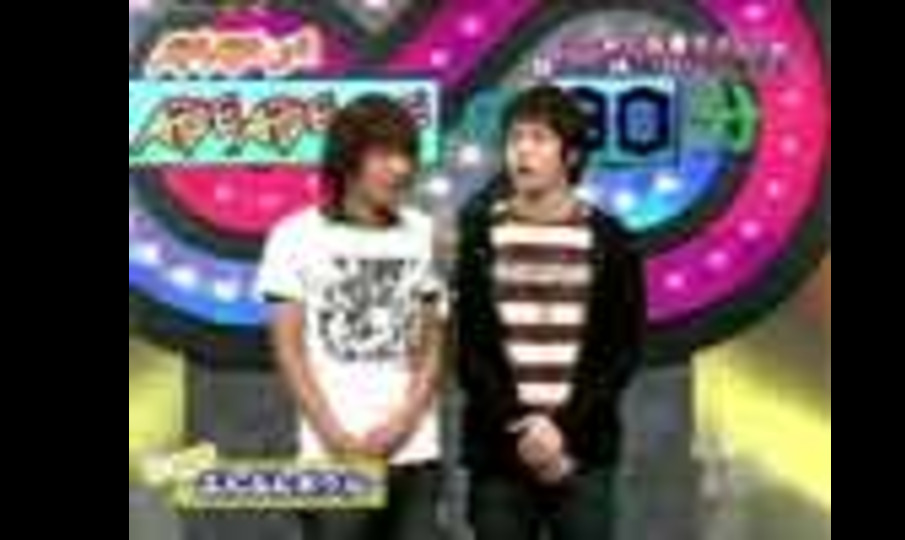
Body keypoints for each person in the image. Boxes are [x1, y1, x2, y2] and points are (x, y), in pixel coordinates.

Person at [455, 85, 646, 540]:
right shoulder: (480, 235)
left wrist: (560, 431)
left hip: (581, 454)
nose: (523, 151)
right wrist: (523, 429)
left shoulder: (611, 240)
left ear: (571, 155)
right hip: (500, 454)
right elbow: (470, 351)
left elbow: (621, 351)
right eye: (515, 139)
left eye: (539, 138)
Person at [256, 94, 443, 540]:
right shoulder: (295, 236)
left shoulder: (423, 231)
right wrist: (335, 435)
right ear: (347, 161)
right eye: (384, 155)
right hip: (332, 457)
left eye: (407, 155)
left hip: (414, 452)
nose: (400, 168)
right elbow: (289, 351)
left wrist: (402, 424)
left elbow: (433, 345)